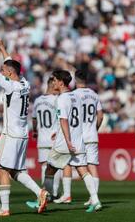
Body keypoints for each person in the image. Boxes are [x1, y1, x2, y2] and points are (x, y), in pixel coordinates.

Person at [0, 39, 48, 216]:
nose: (2, 71)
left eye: (5, 70)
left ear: (9, 73)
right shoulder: (25, 83)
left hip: (12, 134)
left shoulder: (10, 86)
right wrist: (2, 48)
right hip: (22, 133)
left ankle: (5, 208)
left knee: (3, 169)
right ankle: (40, 192)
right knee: (17, 171)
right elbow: (10, 64)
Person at [42, 70, 102, 212]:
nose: (53, 83)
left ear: (61, 82)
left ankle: (43, 199)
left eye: (55, 80)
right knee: (83, 170)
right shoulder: (76, 97)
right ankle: (96, 200)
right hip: (79, 140)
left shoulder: (61, 99)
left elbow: (64, 120)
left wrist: (67, 140)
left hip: (65, 142)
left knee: (49, 169)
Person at [26, 77, 61, 208]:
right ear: (52, 85)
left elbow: (34, 119)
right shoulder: (56, 100)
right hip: (54, 137)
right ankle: (54, 193)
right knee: (55, 166)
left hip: (42, 138)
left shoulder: (38, 100)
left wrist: (35, 131)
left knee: (44, 166)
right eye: (56, 84)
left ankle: (45, 193)